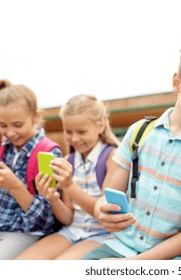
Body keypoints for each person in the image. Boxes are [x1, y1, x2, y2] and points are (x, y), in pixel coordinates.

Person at [82, 38, 181, 260]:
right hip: (120, 246)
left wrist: (135, 265)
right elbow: (107, 196)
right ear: (177, 83)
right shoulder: (138, 132)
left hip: (179, 257)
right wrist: (102, 212)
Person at [0, 79, 63, 259]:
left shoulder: (48, 154)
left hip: (24, 234)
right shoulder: (1, 148)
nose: (10, 133)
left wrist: (15, 186)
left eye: (18, 125)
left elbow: (46, 221)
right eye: (3, 126)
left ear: (36, 117)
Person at [15, 94, 119, 259]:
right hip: (72, 230)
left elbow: (104, 213)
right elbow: (68, 218)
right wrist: (53, 198)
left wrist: (69, 185)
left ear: (100, 126)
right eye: (68, 131)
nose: (74, 138)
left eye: (81, 131)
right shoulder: (67, 161)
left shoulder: (112, 158)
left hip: (101, 234)